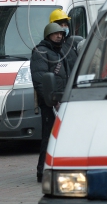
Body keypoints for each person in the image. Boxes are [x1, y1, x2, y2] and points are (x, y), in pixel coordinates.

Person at [31, 22, 77, 182]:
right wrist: (52, 101)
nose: (59, 36)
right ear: (48, 35)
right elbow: (40, 80)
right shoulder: (41, 52)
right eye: (56, 33)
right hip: (50, 103)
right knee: (49, 137)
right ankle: (42, 171)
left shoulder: (61, 51)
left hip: (63, 100)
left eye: (61, 34)